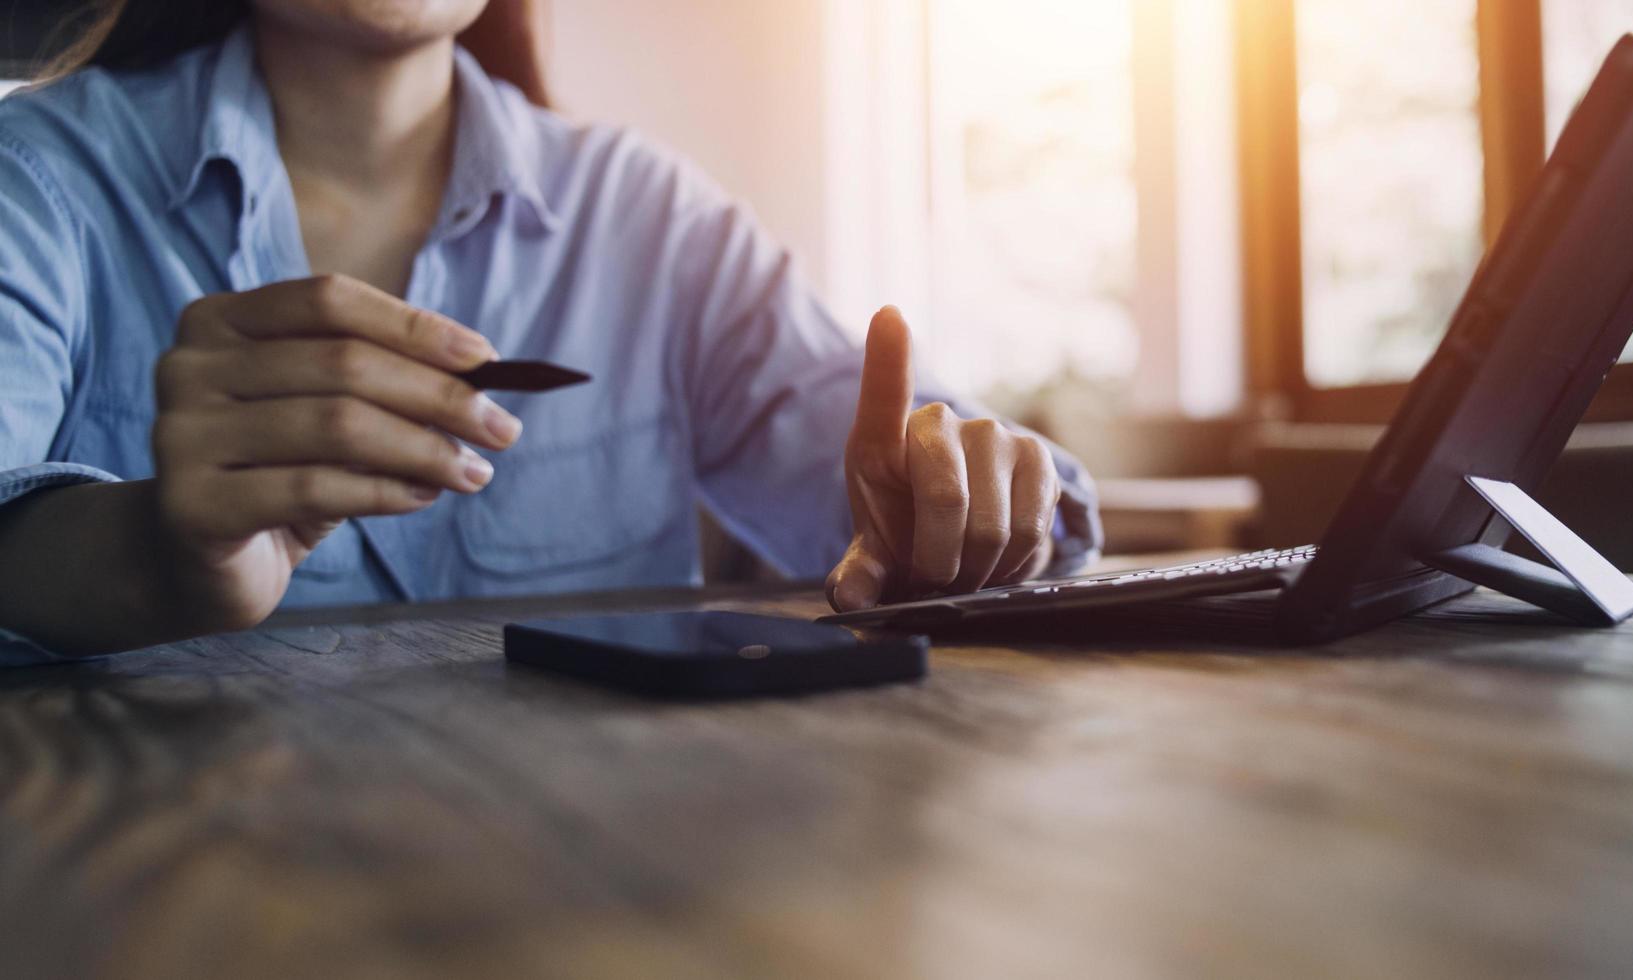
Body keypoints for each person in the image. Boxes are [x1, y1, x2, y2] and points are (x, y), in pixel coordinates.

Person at [0, 0, 1101, 662]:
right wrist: (158, 552)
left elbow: (930, 500)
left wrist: (966, 506)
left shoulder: (654, 222)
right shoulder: (40, 185)